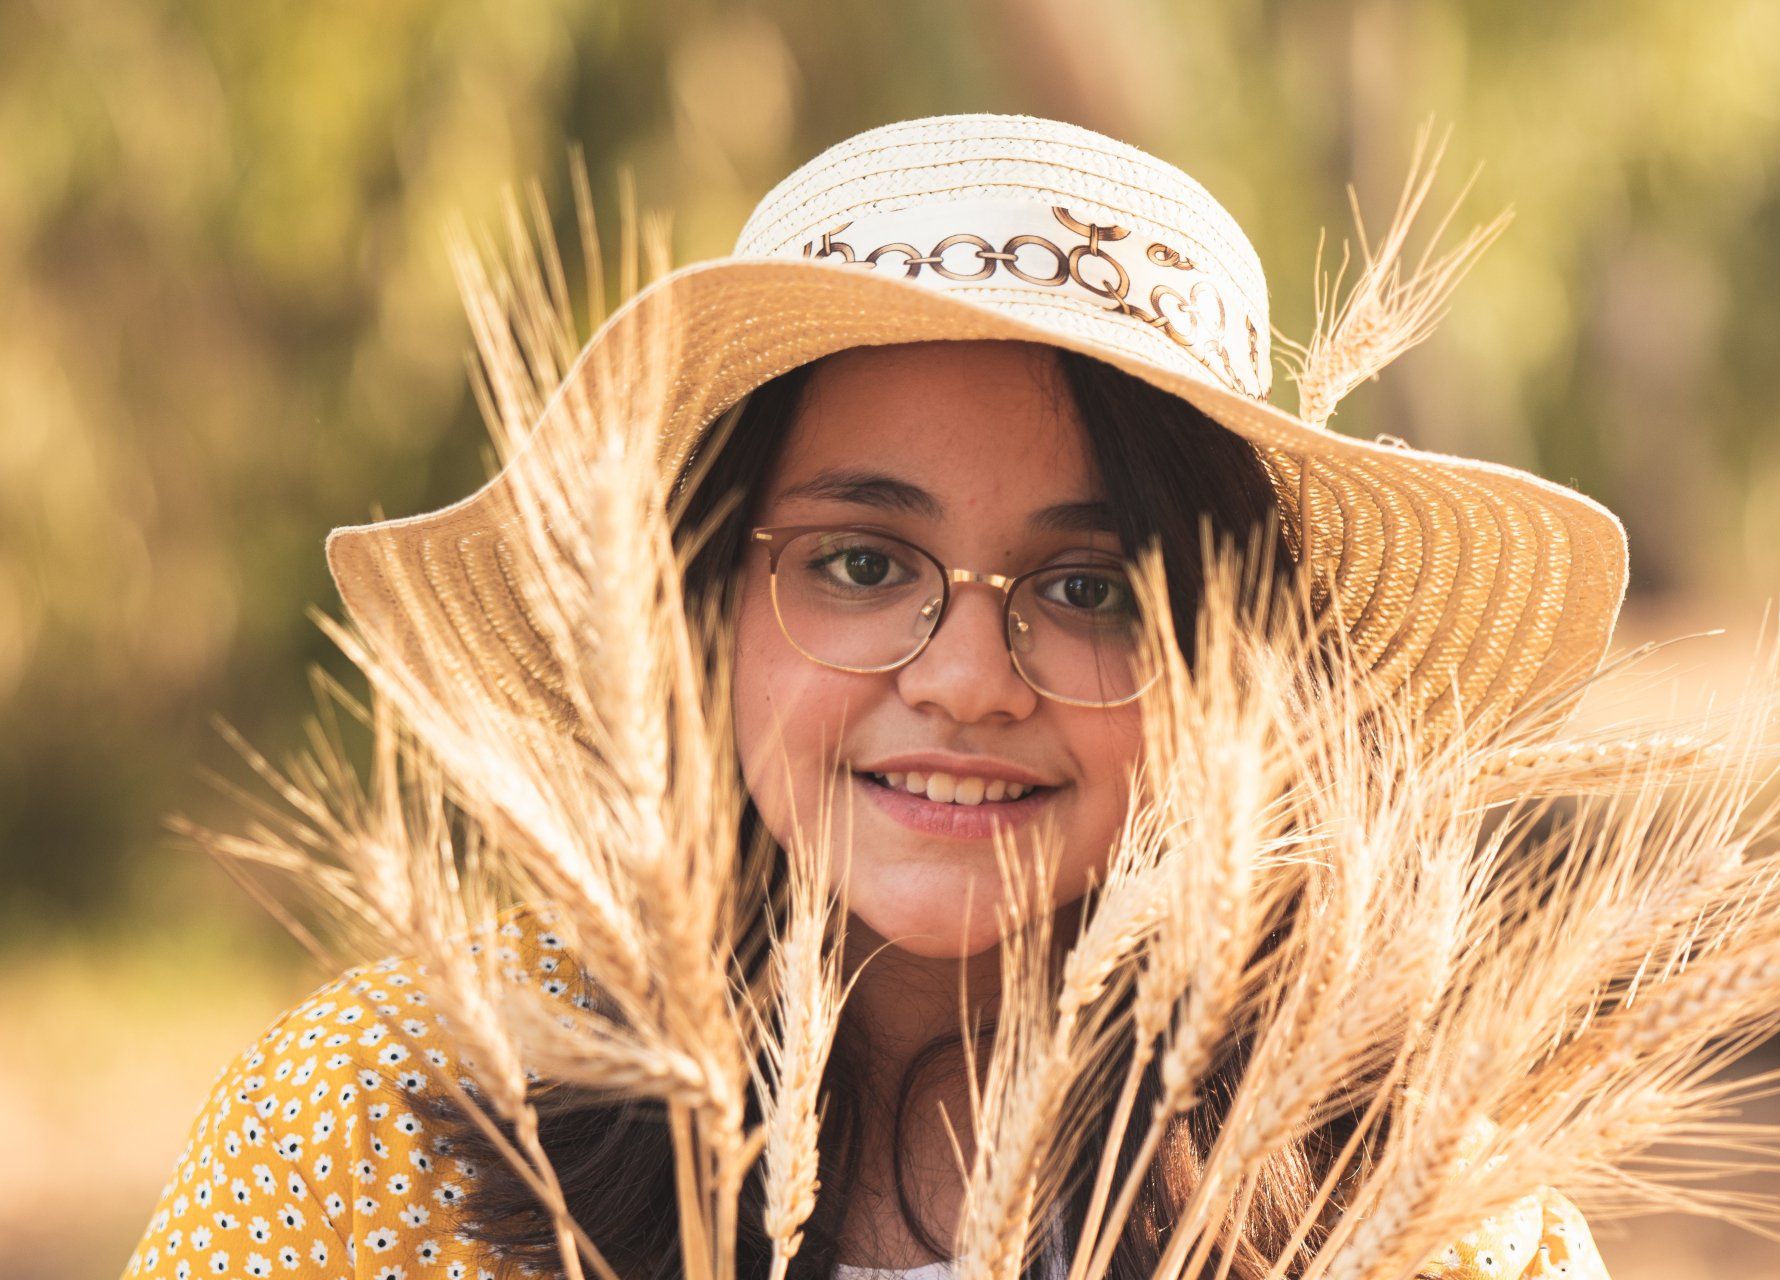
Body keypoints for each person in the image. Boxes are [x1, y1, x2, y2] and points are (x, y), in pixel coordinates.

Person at [121, 113, 1621, 1280]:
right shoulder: (381, 1133)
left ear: (1238, 670)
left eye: (1094, 588)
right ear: (695, 609)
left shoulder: (1420, 1216)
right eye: (859, 563)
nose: (965, 680)